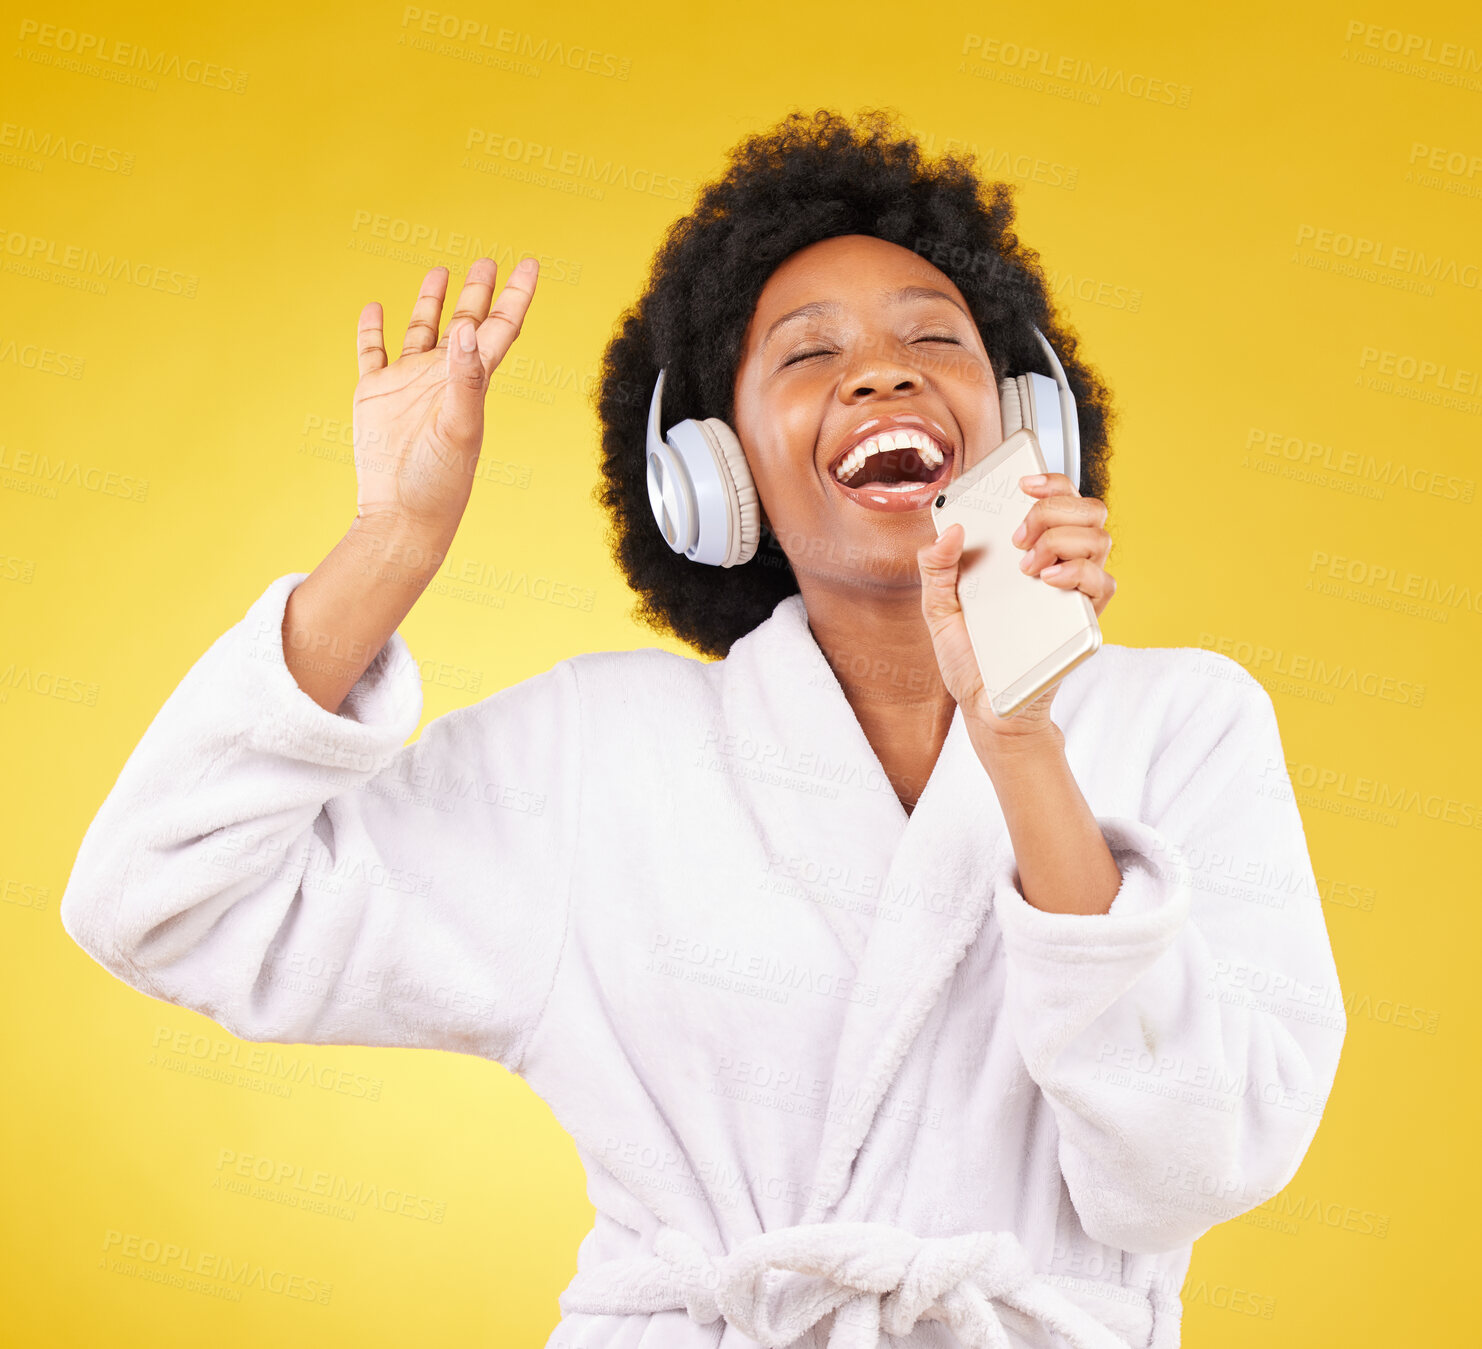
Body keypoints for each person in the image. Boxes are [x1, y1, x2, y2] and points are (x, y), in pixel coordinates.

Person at [60, 109, 1345, 1349]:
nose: (881, 372)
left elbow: (1186, 1166)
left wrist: (1023, 745)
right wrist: (391, 543)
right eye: (806, 354)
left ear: (1027, 420)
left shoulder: (1188, 723)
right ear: (714, 479)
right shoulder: (597, 754)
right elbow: (161, 899)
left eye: (932, 340)